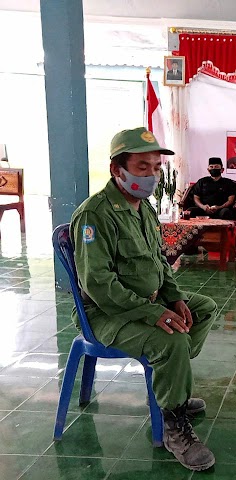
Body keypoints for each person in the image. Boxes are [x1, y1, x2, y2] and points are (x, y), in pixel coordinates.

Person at [70, 127, 217, 471]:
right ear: (116, 170)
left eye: (155, 167)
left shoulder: (143, 209)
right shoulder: (95, 216)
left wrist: (175, 298)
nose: (152, 175)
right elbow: (99, 286)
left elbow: (159, 262)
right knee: (172, 341)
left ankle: (172, 388)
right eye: (142, 167)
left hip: (145, 301)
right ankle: (174, 426)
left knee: (203, 309)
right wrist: (152, 312)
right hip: (106, 314)